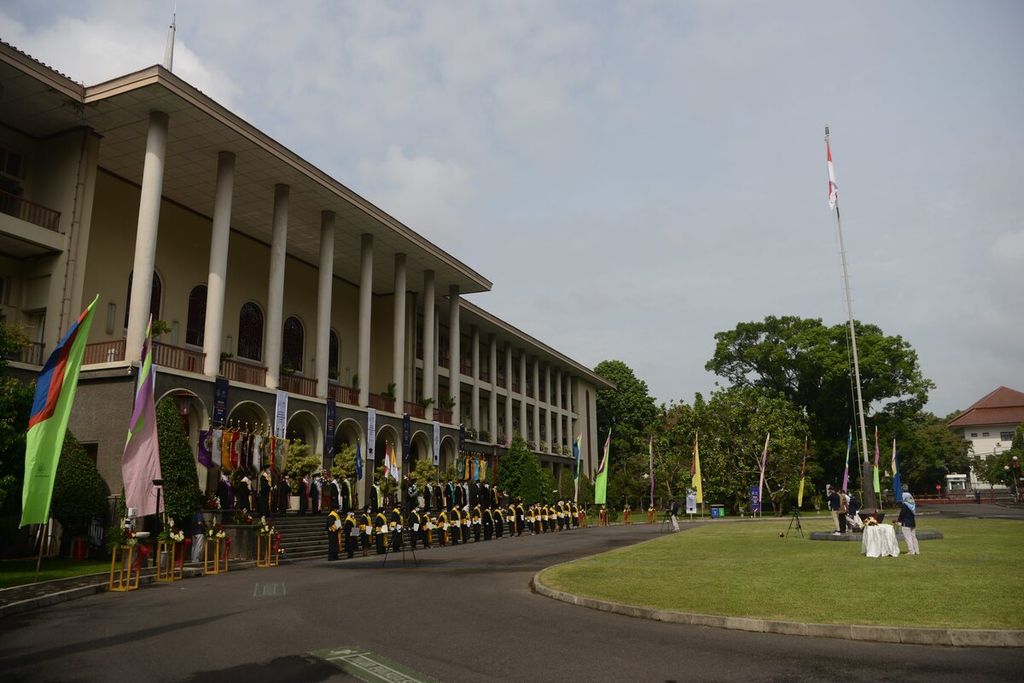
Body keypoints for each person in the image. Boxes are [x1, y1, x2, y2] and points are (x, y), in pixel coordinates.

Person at [896, 486, 920, 555]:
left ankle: (911, 551)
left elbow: (902, 514)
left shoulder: (904, 505)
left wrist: (898, 520)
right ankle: (917, 551)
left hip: (906, 523)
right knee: (913, 537)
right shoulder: (913, 505)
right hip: (912, 522)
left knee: (908, 537)